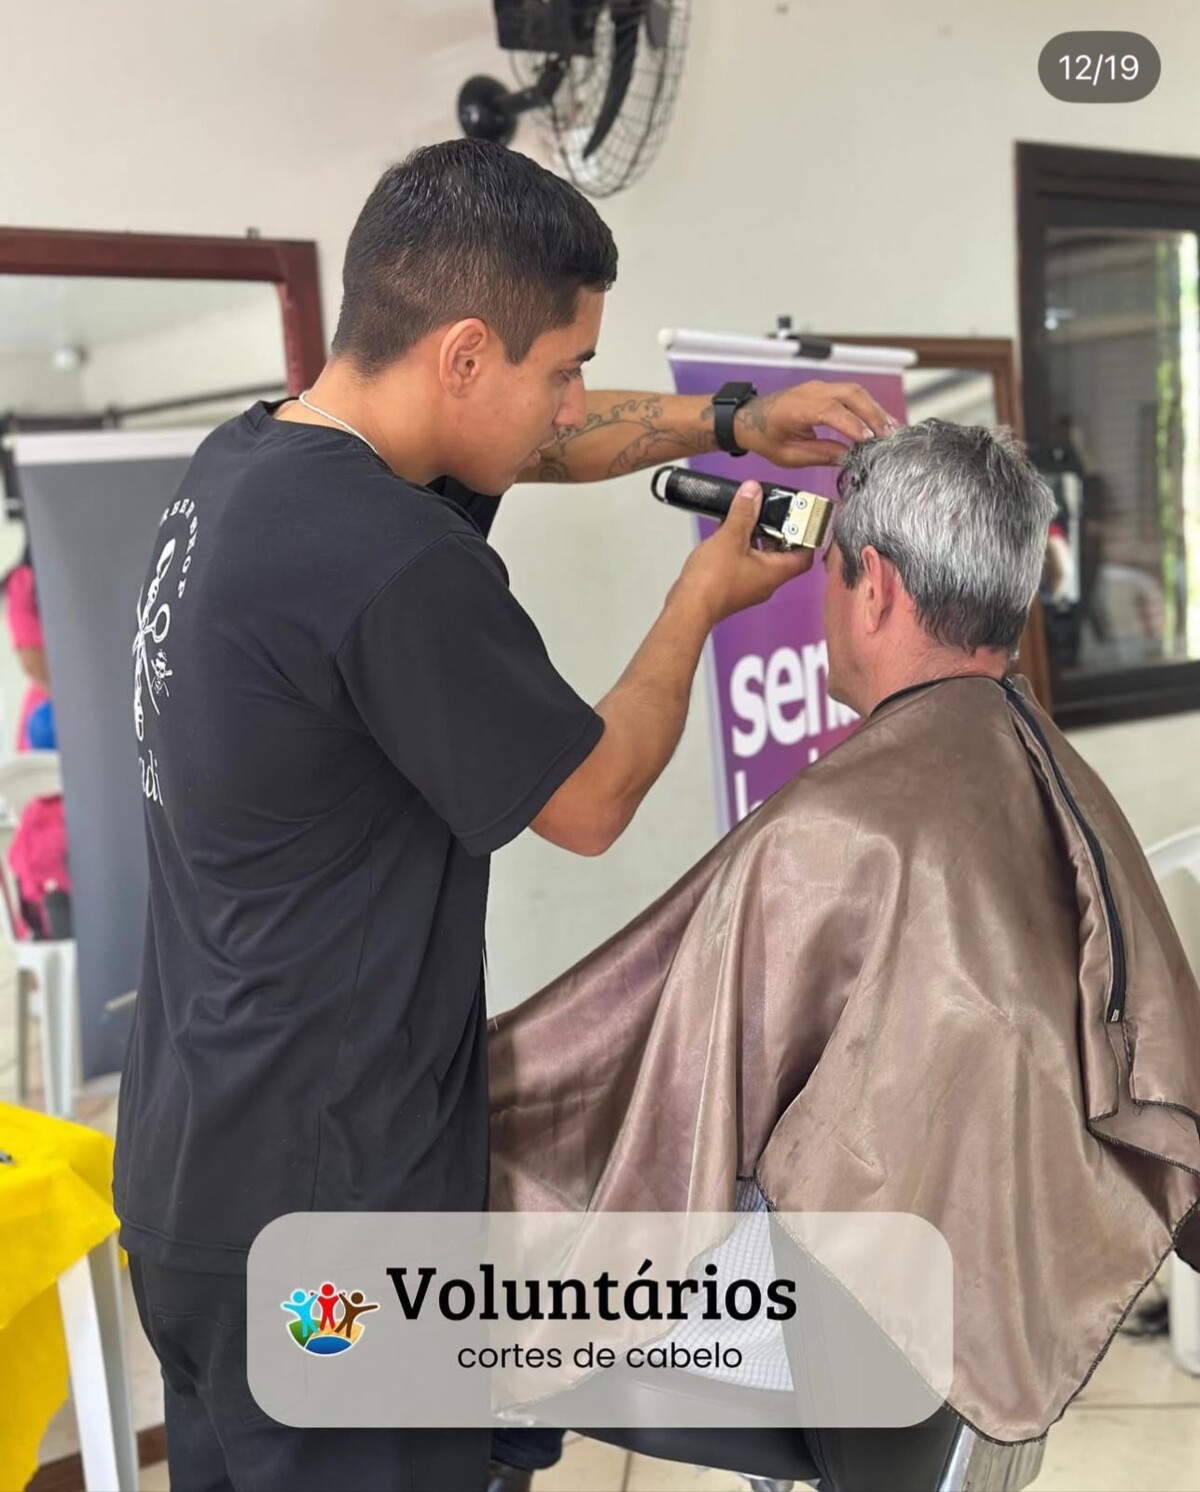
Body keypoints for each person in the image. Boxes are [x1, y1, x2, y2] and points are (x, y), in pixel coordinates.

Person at [113, 137, 894, 1492]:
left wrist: (732, 422)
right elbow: (590, 798)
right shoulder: (391, 559)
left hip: (193, 1178)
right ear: (464, 353)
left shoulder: (249, 466)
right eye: (564, 366)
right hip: (333, 1222)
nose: (572, 400)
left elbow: (534, 449)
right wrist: (699, 602)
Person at [490, 419, 1200, 1447]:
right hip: (990, 1287)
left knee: (466, 1291)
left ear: (877, 589)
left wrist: (474, 1084)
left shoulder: (846, 827)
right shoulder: (1048, 767)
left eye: (834, 570)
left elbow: (644, 1080)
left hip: (862, 1328)